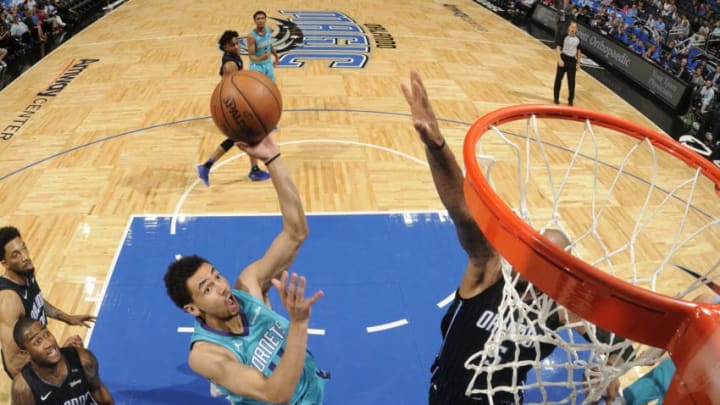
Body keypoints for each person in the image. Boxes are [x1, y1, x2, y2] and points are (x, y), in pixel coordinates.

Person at [402, 71, 625, 404]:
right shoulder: (489, 274)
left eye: (549, 263)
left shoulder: (561, 311)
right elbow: (462, 211)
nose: (536, 269)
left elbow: (621, 344)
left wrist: (611, 376)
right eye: (536, 256)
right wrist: (436, 146)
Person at [165, 134, 328, 404]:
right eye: (207, 289)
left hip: (313, 391)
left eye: (216, 276)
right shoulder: (205, 355)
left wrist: (273, 159)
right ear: (192, 308)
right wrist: (298, 324)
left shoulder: (250, 285)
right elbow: (274, 395)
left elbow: (296, 233)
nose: (221, 287)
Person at [0, 226, 96, 378]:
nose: (25, 257)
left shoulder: (26, 271)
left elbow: (36, 301)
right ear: (5, 263)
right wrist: (55, 353)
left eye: (24, 248)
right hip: (28, 365)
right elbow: (13, 361)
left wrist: (66, 317)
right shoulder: (8, 301)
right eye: (16, 255)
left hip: (40, 349)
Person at [196, 30, 271, 186]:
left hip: (231, 101)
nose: (237, 46)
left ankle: (207, 166)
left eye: (237, 43)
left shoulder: (234, 57)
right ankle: (253, 170)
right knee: (251, 135)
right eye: (232, 44)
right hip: (231, 103)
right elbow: (233, 88)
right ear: (224, 47)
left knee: (240, 137)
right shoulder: (230, 65)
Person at [621, 293, 720, 405]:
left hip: (699, 392)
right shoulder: (708, 301)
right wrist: (656, 350)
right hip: (672, 368)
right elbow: (678, 328)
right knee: (623, 400)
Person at [10, 317, 114, 404]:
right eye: (38, 342)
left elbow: (102, 395)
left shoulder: (83, 360)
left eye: (47, 334)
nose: (49, 343)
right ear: (26, 353)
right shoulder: (23, 389)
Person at [553, 20, 581, 106]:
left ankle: (570, 100)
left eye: (574, 27)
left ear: (576, 29)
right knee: (558, 79)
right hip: (563, 58)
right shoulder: (563, 37)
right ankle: (556, 98)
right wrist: (559, 59)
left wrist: (578, 63)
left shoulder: (578, 40)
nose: (573, 29)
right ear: (569, 28)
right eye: (572, 27)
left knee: (571, 82)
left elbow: (579, 52)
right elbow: (558, 48)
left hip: (572, 61)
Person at [247, 10, 279, 84]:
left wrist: (276, 57)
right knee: (258, 88)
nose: (261, 21)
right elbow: (251, 57)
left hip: (268, 63)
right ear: (254, 21)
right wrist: (261, 58)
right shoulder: (251, 36)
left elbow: (269, 45)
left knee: (272, 86)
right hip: (256, 66)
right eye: (258, 19)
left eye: (262, 18)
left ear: (265, 19)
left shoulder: (268, 29)